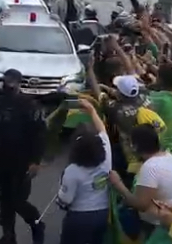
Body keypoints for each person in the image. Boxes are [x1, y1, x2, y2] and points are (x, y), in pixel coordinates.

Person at [0, 69, 46, 244]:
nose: (9, 85)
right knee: (5, 200)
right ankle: (8, 236)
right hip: (1, 159)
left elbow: (39, 134)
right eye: (7, 81)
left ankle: (37, 224)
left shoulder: (28, 104)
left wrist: (35, 161)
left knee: (18, 200)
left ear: (19, 83)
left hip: (22, 161)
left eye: (12, 82)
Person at [109, 124, 172, 243]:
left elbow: (141, 205)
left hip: (156, 225)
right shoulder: (170, 157)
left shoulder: (150, 167)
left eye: (128, 143)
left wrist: (118, 184)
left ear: (135, 147)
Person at [56, 98, 111, 244]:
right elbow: (102, 130)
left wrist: (60, 192)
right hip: (103, 213)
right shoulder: (106, 156)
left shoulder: (72, 171)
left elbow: (65, 200)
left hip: (79, 217)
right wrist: (92, 110)